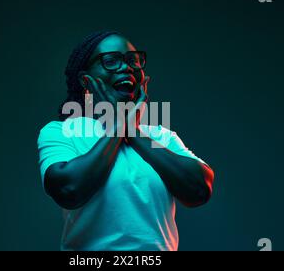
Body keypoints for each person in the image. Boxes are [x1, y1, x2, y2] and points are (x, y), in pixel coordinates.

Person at [37, 31, 214, 251]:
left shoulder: (162, 137)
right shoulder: (63, 132)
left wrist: (133, 131)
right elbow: (69, 189)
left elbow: (199, 190)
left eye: (133, 61)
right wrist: (118, 126)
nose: (127, 67)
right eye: (111, 61)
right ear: (86, 80)